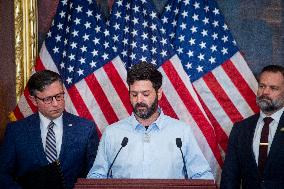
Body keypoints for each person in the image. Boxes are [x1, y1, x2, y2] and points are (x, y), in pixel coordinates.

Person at [87, 61, 214, 179]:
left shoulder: (181, 132)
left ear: (159, 93)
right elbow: (96, 178)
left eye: (145, 94)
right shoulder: (112, 133)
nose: (139, 100)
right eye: (134, 94)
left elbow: (202, 176)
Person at [0, 70, 99, 189]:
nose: (56, 104)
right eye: (48, 99)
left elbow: (94, 175)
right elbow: (3, 175)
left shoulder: (85, 128)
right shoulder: (16, 131)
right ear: (33, 100)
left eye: (59, 96)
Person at [220, 65, 284, 189]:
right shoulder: (240, 129)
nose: (265, 92)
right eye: (262, 86)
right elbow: (230, 178)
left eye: (273, 88)